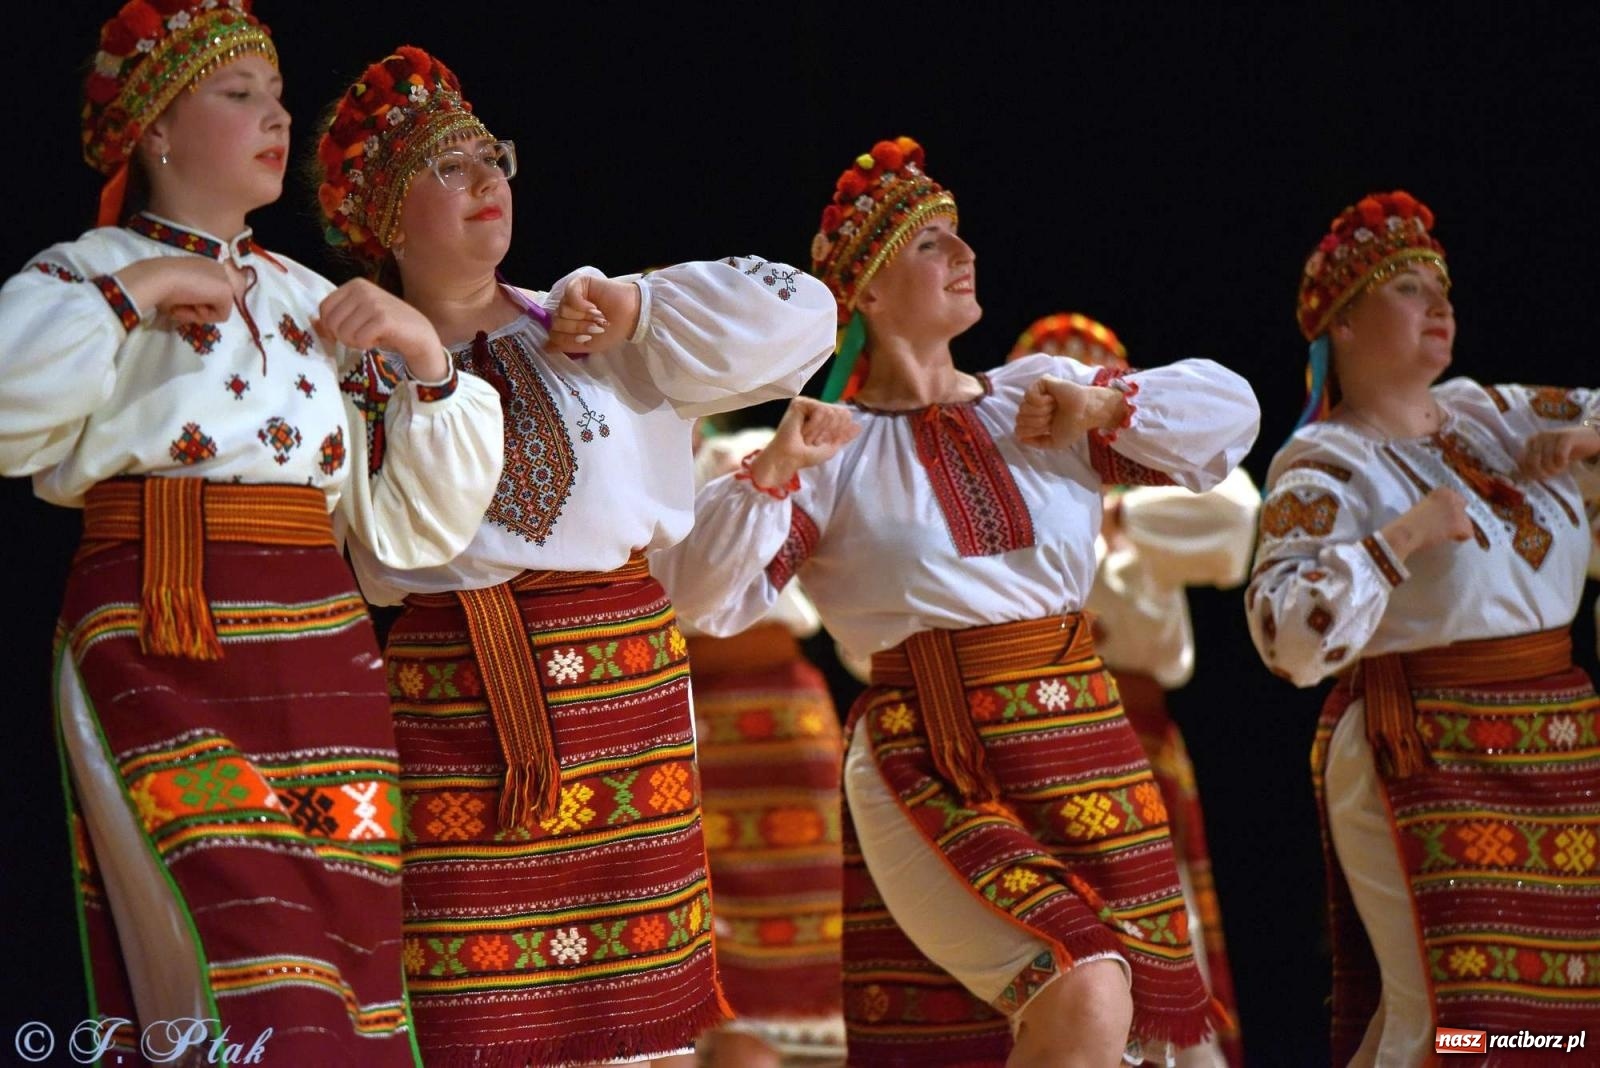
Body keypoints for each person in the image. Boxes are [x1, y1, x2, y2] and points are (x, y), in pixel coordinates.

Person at [655, 136, 1259, 1067]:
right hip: (932, 752)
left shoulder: (1039, 401)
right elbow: (702, 595)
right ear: (868, 289)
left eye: (960, 235)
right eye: (931, 242)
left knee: (1122, 1025)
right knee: (1086, 986)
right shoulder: (835, 449)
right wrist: (774, 468)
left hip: (1086, 746)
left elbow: (1232, 414)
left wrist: (1104, 410)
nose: (965, 255)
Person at [0, 4, 504, 1063]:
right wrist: (137, 293)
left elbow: (413, 528)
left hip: (321, 651)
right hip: (166, 632)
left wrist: (427, 361)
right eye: (237, 97)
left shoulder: (318, 302)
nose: (273, 118)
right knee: (249, 952)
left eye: (277, 99)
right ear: (154, 132)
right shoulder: (85, 274)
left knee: (349, 940)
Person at [314, 46, 836, 1067]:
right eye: (447, 168)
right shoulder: (351, 365)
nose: (485, 183)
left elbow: (806, 316)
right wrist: (421, 364)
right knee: (474, 1018)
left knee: (640, 1034)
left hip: (626, 706)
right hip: (458, 703)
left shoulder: (589, 325)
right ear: (384, 217)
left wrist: (631, 304)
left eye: (491, 159)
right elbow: (383, 549)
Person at [1247, 190, 1600, 1065]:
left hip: (1555, 738)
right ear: (1345, 323)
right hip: (1425, 746)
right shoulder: (1326, 458)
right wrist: (1399, 539)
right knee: (1459, 1008)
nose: (1438, 304)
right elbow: (1285, 636)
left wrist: (1591, 438)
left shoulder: (1492, 414)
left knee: (1557, 1014)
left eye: (1440, 286)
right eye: (1406, 287)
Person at [1008, 314, 1256, 1067]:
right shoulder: (1015, 505)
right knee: (1054, 937)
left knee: (1156, 922)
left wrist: (1114, 496)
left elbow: (1236, 514)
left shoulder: (1140, 494)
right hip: (1031, 744)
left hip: (1135, 740)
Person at [667, 422, 847, 1068]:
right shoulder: (618, 447)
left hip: (774, 715)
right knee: (686, 902)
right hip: (678, 711)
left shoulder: (740, 450)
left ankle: (778, 1036)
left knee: (796, 891)